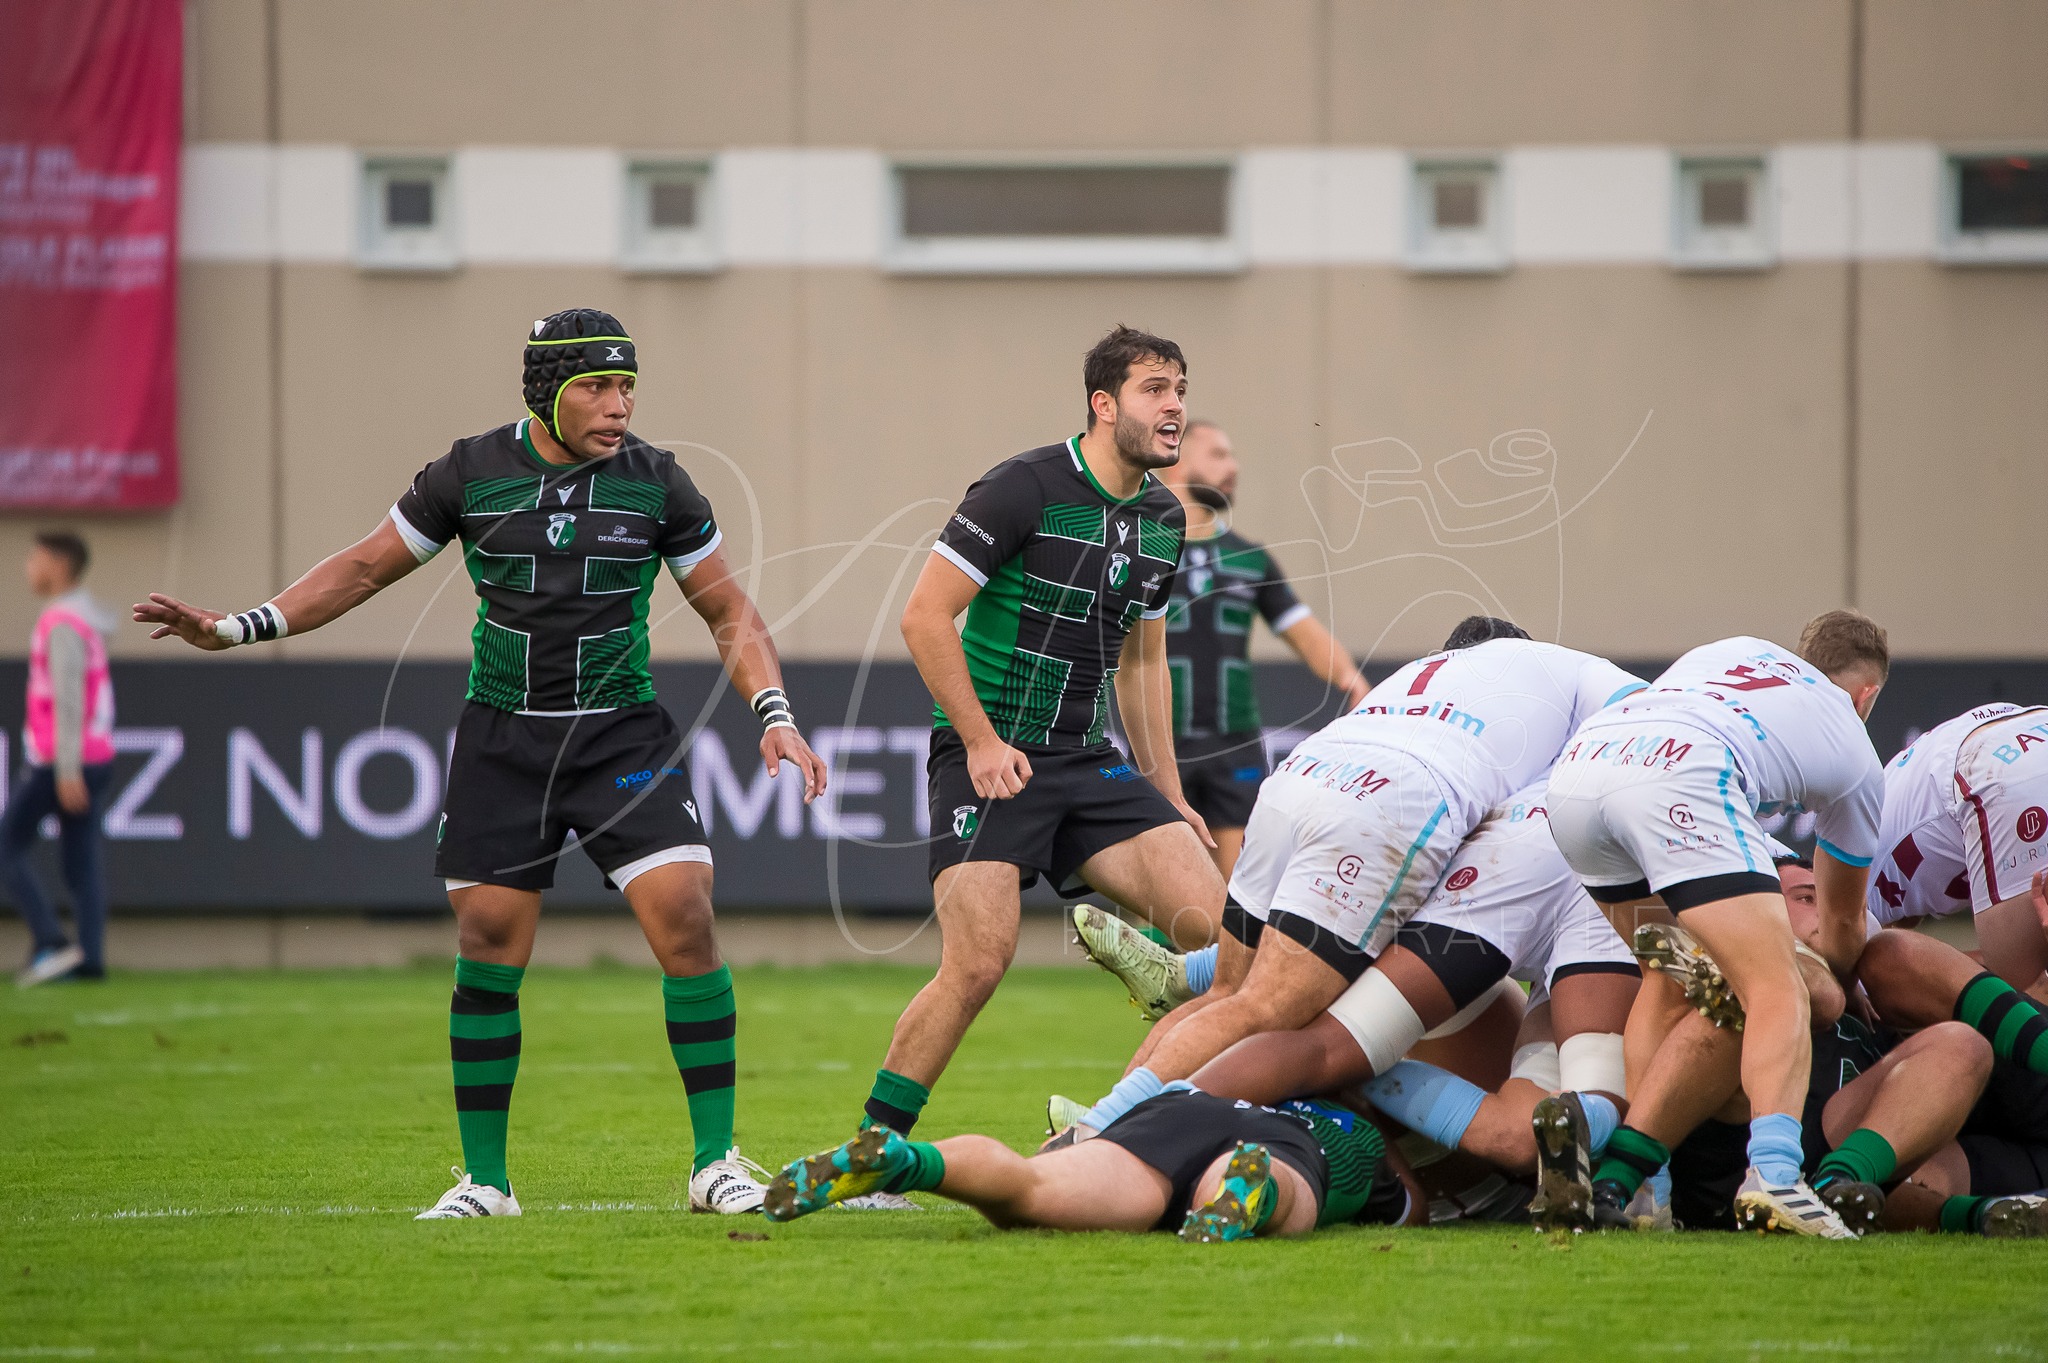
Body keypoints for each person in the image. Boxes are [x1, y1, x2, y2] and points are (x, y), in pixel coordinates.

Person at [134, 309, 826, 1219]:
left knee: (686, 915)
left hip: (620, 736)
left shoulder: (659, 483)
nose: (618, 406)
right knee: (489, 941)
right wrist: (239, 626)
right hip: (504, 741)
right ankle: (487, 1183)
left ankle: (714, 1163)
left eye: (627, 388)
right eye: (597, 387)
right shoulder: (471, 472)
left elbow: (727, 606)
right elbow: (364, 567)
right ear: (545, 389)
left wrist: (774, 713)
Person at [855, 326, 1223, 1163]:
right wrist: (981, 742)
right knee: (979, 963)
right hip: (989, 755)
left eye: (1181, 389)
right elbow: (923, 616)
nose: (1175, 407)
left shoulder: (1165, 518)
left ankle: (1130, 1130)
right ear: (1104, 404)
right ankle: (875, 1149)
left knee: (1224, 939)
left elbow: (1143, 656)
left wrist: (1167, 789)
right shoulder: (1024, 486)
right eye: (1155, 389)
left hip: (1087, 761)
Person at [1064, 618, 1646, 1139]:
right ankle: (1101, 1135)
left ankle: (1124, 1089)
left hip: (1301, 776)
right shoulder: (1588, 690)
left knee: (1232, 997)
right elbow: (1642, 756)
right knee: (1277, 1013)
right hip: (1392, 801)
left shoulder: (1429, 673)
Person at [1544, 612, 1889, 1235]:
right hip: (1683, 771)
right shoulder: (1857, 750)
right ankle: (1776, 1180)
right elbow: (1840, 924)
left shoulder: (1738, 649)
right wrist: (1834, 970)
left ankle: (1648, 1191)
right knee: (1775, 984)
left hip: (1578, 777)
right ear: (1866, 696)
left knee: (1666, 971)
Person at [1155, 419, 1367, 881]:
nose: (1234, 467)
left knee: (1239, 892)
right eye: (1218, 454)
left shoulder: (1250, 558)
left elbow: (1302, 630)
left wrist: (1351, 679)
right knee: (1155, 885)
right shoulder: (1137, 548)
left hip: (1235, 743)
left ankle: (1224, 958)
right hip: (1159, 742)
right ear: (1178, 460)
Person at [764, 1089, 1388, 1243]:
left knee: (1031, 1190)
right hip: (1307, 1139)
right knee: (1295, 1203)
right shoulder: (1364, 1121)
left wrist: (1073, 1143)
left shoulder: (1243, 1051)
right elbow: (1410, 1202)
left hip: (1181, 1106)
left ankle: (907, 1161)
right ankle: (1249, 1185)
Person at [1865, 700, 2048, 1001]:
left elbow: (1887, 957)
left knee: (2021, 998)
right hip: (2028, 726)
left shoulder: (1857, 894)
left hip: (1991, 771)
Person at [5, 531, 116, 987]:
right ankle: (90, 958)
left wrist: (67, 768)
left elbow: (70, 700)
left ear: (56, 563)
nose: (28, 567)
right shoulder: (83, 618)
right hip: (95, 754)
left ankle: (50, 941)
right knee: (80, 861)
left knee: (5, 847)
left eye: (34, 558)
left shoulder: (62, 622)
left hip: (61, 760)